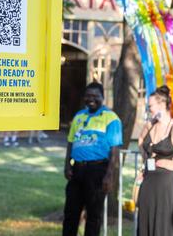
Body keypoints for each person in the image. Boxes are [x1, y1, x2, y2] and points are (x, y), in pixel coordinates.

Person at [63, 82, 122, 236]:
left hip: (97, 171)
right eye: (88, 96)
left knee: (93, 216)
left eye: (95, 96)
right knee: (70, 213)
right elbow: (71, 142)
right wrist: (67, 165)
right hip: (77, 170)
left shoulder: (111, 118)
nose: (91, 99)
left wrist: (109, 175)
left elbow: (114, 150)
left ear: (102, 97)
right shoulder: (79, 116)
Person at [136, 85, 173, 236]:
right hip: (149, 182)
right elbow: (140, 141)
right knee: (146, 223)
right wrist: (146, 160)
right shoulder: (150, 125)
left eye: (150, 106)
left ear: (162, 105)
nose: (148, 109)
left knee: (164, 227)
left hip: (168, 185)